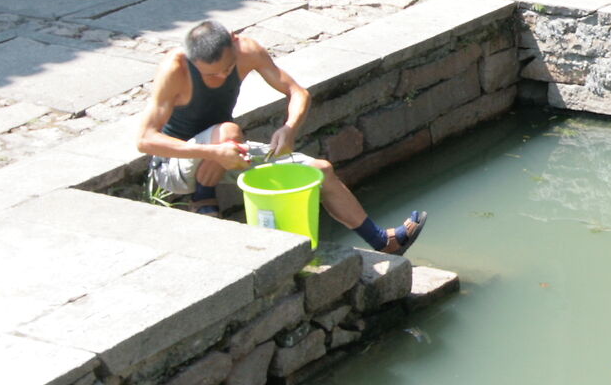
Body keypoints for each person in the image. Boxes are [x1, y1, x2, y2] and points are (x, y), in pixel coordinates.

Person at [137, 19, 428, 255]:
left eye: (227, 70)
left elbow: (297, 92)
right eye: (210, 75)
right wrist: (211, 153)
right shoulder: (174, 68)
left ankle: (382, 241)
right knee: (228, 131)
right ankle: (204, 204)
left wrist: (290, 128)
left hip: (225, 152)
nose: (221, 78)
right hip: (173, 166)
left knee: (320, 171)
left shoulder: (248, 50)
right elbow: (145, 139)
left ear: (234, 41)